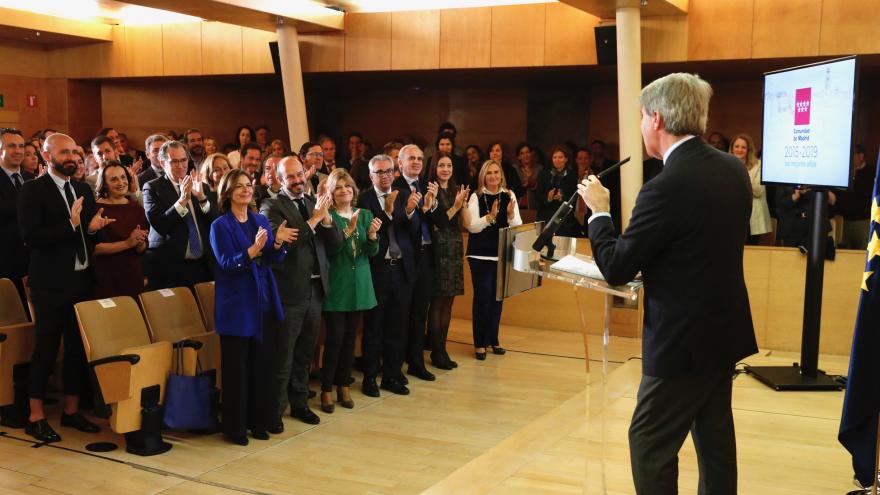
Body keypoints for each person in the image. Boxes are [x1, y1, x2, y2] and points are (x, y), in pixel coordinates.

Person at [578, 72, 758, 494]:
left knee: (649, 442)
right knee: (715, 443)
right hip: (723, 332)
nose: (641, 126)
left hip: (680, 343)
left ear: (656, 118)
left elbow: (617, 266)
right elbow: (698, 245)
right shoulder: (732, 169)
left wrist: (600, 212)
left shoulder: (665, 187)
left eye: (641, 117)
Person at [17, 133, 115, 442]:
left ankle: (72, 411)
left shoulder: (83, 188)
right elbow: (31, 238)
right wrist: (71, 225)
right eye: (64, 152)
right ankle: (35, 415)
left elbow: (86, 239)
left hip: (82, 280)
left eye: (75, 151)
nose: (72, 156)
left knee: (76, 349)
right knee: (46, 349)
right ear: (48, 156)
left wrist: (91, 230)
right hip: (50, 283)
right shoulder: (33, 191)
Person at [209, 168, 297, 446]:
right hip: (237, 303)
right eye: (239, 187)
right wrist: (252, 250)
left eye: (248, 186)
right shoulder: (219, 225)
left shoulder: (259, 219)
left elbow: (272, 258)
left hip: (263, 299)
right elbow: (226, 263)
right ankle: (235, 428)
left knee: (263, 366)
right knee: (237, 370)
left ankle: (259, 422)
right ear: (227, 192)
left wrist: (278, 242)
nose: (246, 190)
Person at [260, 156, 342, 429]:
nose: (297, 181)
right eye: (290, 177)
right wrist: (316, 219)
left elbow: (335, 245)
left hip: (315, 291)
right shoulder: (271, 206)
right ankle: (273, 412)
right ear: (280, 180)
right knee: (283, 355)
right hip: (289, 292)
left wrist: (327, 219)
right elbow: (287, 242)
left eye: (299, 175)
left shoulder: (311, 202)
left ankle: (299, 404)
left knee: (305, 354)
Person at [357, 154, 420, 397]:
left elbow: (413, 233)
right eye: (379, 172)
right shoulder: (363, 200)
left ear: (394, 172)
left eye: (388, 171)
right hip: (377, 270)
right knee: (374, 326)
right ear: (371, 175)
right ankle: (370, 378)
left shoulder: (404, 194)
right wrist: (389, 212)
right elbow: (367, 233)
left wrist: (411, 212)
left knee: (398, 326)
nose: (384, 176)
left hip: (402, 269)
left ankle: (392, 376)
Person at [320, 169, 381, 412]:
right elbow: (332, 251)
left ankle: (344, 386)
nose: (344, 190)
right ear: (331, 193)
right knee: (334, 340)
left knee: (349, 341)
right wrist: (348, 229)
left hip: (361, 285)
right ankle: (326, 389)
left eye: (347, 186)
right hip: (338, 286)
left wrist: (373, 236)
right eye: (338, 187)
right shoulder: (328, 216)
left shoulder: (364, 214)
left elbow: (371, 252)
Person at [465, 159, 521, 360]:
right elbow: (471, 226)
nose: (493, 176)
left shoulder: (509, 195)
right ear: (483, 176)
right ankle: (480, 343)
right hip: (480, 255)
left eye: (496, 172)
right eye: (489, 173)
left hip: (501, 254)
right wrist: (490, 217)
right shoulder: (476, 196)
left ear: (501, 175)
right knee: (483, 298)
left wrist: (511, 214)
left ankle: (493, 339)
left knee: (497, 300)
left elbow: (517, 226)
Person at [143, 140, 217, 290]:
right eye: (174, 161)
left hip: (203, 265)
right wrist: (182, 200)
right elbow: (161, 225)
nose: (181, 165)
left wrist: (202, 199)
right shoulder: (152, 188)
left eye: (183, 160)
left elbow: (215, 222)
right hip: (171, 267)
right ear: (163, 163)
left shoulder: (200, 186)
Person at [393, 145, 437, 383]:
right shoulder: (395, 188)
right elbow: (398, 223)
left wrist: (432, 206)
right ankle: (396, 367)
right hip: (404, 260)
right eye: (412, 158)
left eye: (420, 159)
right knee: (402, 315)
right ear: (400, 163)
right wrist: (411, 210)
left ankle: (416, 363)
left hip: (426, 257)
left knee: (421, 313)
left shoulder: (426, 186)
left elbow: (436, 220)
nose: (417, 162)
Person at [425, 153, 470, 370]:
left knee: (449, 301)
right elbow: (439, 222)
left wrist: (464, 204)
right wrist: (457, 205)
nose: (445, 169)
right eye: (441, 165)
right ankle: (436, 351)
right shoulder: (431, 191)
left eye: (449, 165)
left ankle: (442, 347)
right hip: (438, 247)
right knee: (438, 302)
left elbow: (463, 222)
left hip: (454, 245)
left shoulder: (455, 189)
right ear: (434, 168)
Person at [92, 161, 149, 299]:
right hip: (106, 276)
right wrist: (127, 243)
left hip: (133, 274)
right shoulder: (96, 209)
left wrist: (140, 243)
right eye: (114, 179)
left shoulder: (136, 207)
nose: (121, 182)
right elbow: (94, 249)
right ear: (104, 184)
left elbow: (142, 248)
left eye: (123, 177)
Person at [0, 128, 33, 310]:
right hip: (5, 262)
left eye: (21, 146)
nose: (18, 151)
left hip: (32, 261)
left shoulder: (31, 178)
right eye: (11, 146)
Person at [730, 134, 771, 245]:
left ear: (748, 150)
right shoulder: (725, 164)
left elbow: (758, 191)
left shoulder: (758, 165)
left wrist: (742, 173)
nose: (739, 150)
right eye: (736, 146)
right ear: (732, 149)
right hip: (731, 216)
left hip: (753, 218)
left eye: (743, 147)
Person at [535, 145, 580, 237]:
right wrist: (548, 198)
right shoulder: (544, 174)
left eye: (560, 157)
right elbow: (538, 196)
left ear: (566, 159)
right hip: (545, 215)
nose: (557, 160)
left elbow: (574, 197)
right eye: (554, 157)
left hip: (564, 217)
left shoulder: (572, 176)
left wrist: (562, 197)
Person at [837, 144, 875, 249]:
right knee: (846, 254)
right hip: (845, 222)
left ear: (861, 156)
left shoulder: (872, 173)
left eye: (852, 154)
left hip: (863, 222)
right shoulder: (845, 172)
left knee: (861, 254)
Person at [513, 142, 542, 209]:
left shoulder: (539, 168)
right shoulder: (514, 169)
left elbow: (541, 189)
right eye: (522, 153)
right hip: (517, 204)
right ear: (518, 157)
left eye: (528, 152)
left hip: (534, 204)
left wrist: (533, 184)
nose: (526, 155)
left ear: (532, 154)